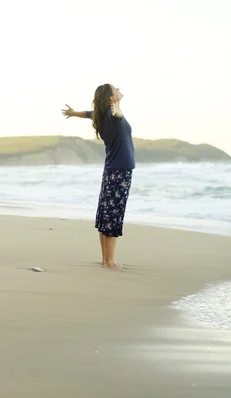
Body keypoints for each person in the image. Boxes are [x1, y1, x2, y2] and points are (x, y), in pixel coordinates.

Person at [61, 84, 135, 270]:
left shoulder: (101, 115)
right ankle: (109, 262)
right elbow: (116, 116)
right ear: (110, 97)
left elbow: (88, 113)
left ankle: (106, 260)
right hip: (120, 171)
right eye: (114, 88)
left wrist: (74, 112)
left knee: (106, 213)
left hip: (112, 170)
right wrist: (116, 109)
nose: (118, 88)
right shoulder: (111, 115)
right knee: (113, 214)